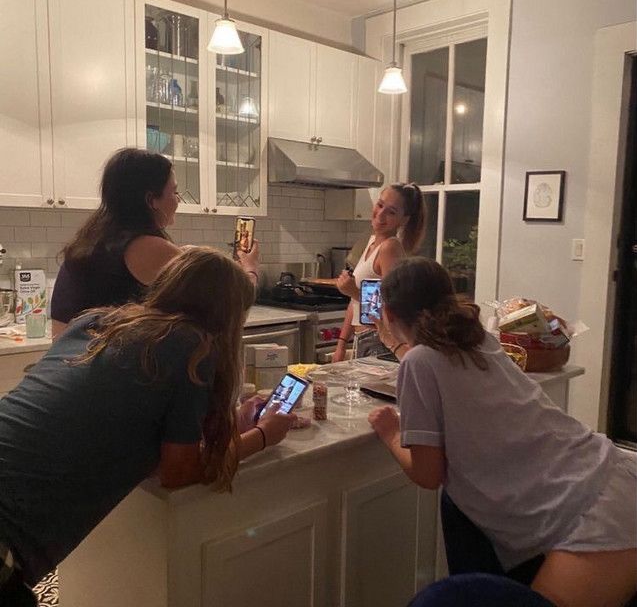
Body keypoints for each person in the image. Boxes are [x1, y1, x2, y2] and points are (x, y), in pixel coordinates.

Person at [0, 247, 295, 605]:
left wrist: (233, 422)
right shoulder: (194, 346)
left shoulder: (96, 320)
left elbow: (119, 420)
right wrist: (264, 437)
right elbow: (179, 472)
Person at [367, 257, 637, 607]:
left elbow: (428, 473)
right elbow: (433, 365)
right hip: (608, 473)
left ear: (387, 314)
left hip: (594, 516)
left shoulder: (421, 363)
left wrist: (390, 432)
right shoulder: (479, 341)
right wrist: (400, 348)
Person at [50, 148, 260, 339]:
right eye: (174, 192)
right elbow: (230, 310)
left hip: (68, 368)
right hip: (109, 374)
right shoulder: (147, 247)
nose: (178, 200)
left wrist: (182, 255)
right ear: (152, 200)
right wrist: (249, 269)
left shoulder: (90, 241)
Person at [331, 183, 425, 362]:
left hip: (380, 342)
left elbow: (392, 307)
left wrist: (354, 292)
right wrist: (341, 345)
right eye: (380, 205)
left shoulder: (390, 247)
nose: (381, 215)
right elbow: (354, 303)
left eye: (391, 212)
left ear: (404, 220)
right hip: (364, 339)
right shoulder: (372, 242)